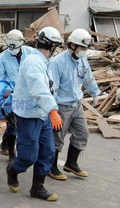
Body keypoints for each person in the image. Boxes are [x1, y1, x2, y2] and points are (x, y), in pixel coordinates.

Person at [6, 27, 63, 202]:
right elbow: (38, 88)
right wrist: (53, 111)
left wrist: (50, 110)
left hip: (42, 114)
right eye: (56, 46)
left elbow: (49, 87)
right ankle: (13, 169)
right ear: (51, 46)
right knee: (28, 156)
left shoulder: (45, 62)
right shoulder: (33, 62)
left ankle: (37, 187)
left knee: (47, 152)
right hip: (28, 115)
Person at [48, 28, 100, 180]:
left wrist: (95, 92)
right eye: (82, 47)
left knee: (82, 133)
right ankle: (52, 167)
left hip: (76, 105)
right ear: (72, 46)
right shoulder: (57, 63)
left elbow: (88, 78)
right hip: (61, 107)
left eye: (85, 48)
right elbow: (53, 88)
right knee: (57, 139)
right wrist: (53, 110)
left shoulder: (82, 59)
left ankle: (71, 163)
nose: (84, 51)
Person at [0, 29, 34, 161]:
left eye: (14, 46)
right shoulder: (2, 58)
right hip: (12, 94)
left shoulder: (31, 53)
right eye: (10, 46)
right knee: (12, 123)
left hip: (29, 92)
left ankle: (5, 144)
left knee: (23, 122)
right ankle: (11, 153)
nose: (12, 49)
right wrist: (4, 92)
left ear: (21, 43)